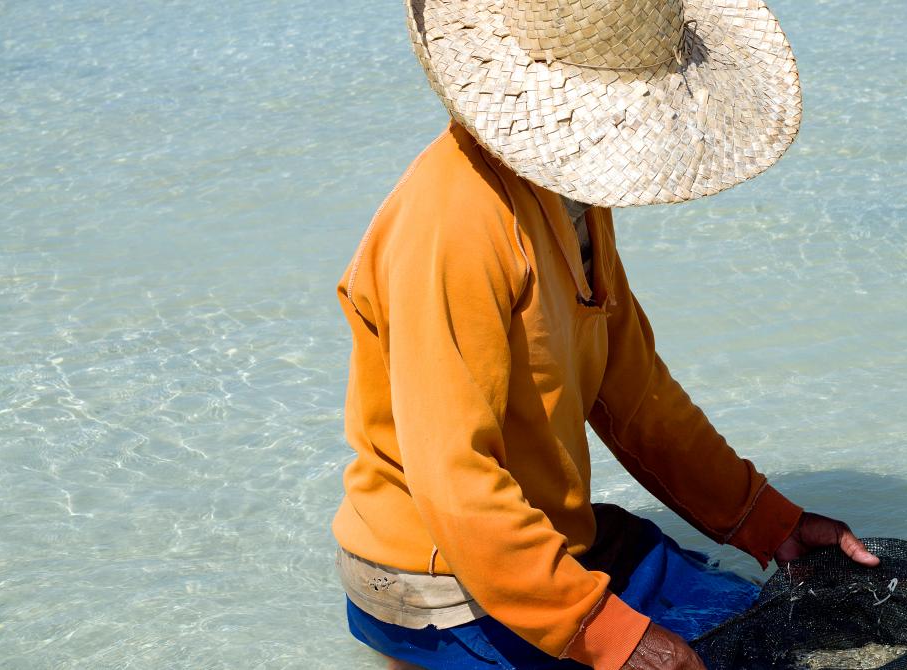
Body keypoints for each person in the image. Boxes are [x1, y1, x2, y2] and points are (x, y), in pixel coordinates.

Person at [333, 1, 879, 668]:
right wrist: (607, 634)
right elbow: (456, 482)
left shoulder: (572, 197)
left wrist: (771, 521)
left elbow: (635, 393)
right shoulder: (452, 225)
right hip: (442, 587)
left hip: (547, 541)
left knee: (778, 628)